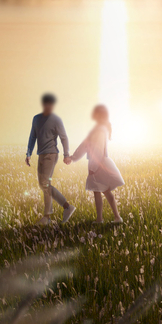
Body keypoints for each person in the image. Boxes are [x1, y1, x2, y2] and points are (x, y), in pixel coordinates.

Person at [65, 104, 124, 224]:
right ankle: (116, 218)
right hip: (101, 163)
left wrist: (94, 167)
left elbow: (94, 148)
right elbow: (85, 145)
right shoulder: (101, 129)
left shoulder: (99, 130)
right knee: (106, 191)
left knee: (99, 191)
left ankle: (101, 219)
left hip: (98, 164)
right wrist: (73, 157)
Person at [25, 93, 76, 225]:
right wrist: (28, 153)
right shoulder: (36, 119)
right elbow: (32, 137)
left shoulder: (56, 120)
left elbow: (64, 137)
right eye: (47, 104)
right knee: (42, 185)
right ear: (43, 104)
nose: (49, 107)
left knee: (45, 184)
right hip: (41, 155)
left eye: (51, 105)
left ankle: (47, 217)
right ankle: (67, 207)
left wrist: (66, 154)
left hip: (51, 154)